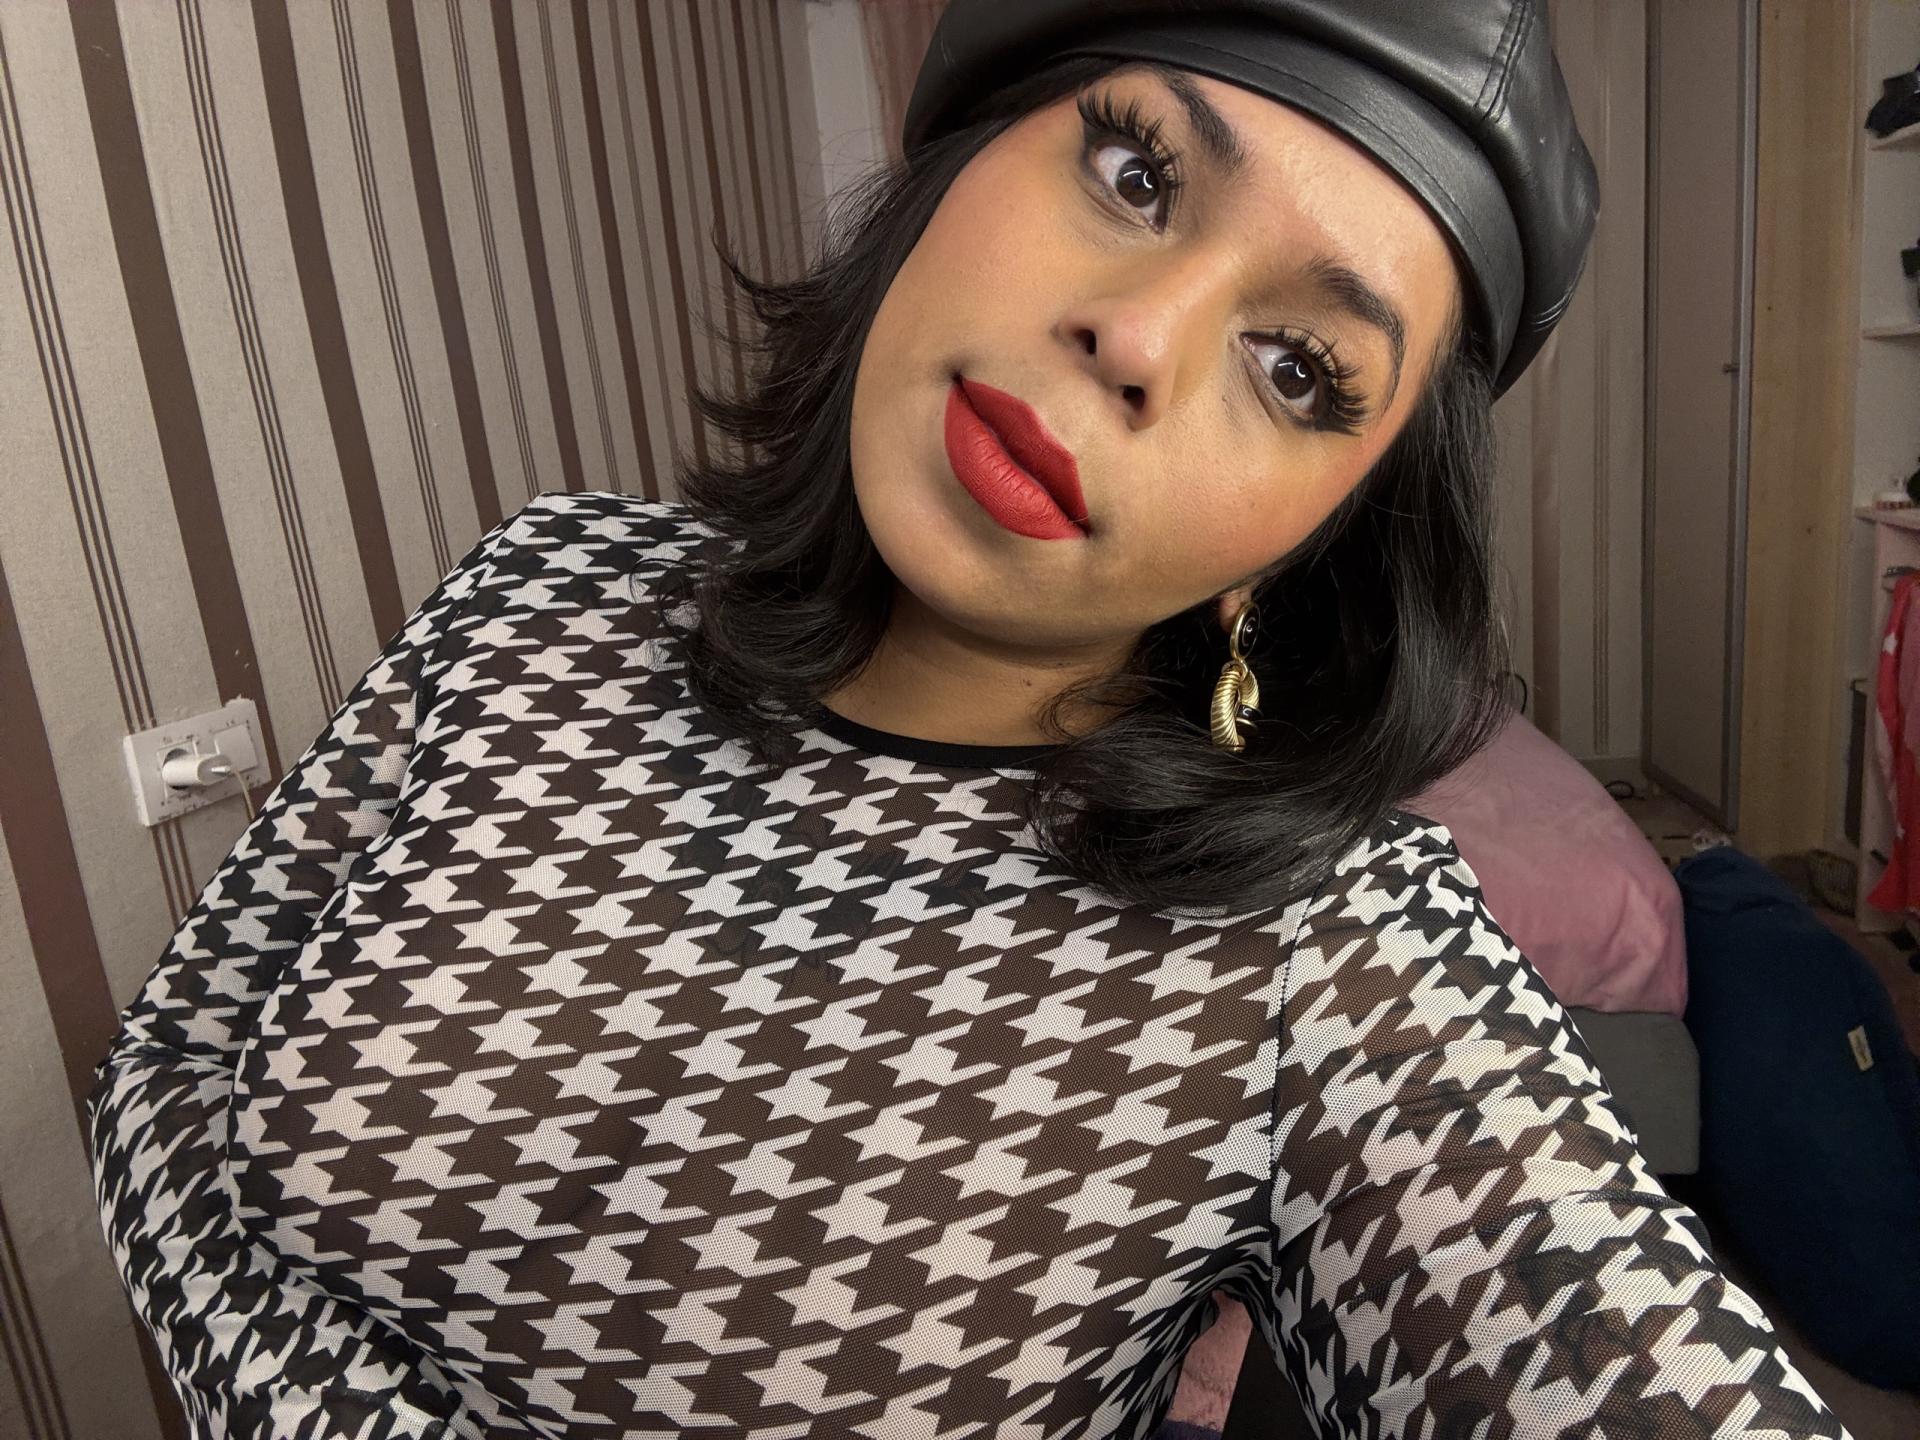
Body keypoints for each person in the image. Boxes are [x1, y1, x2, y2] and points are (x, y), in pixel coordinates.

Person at [85, 3, 1856, 1437]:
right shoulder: (538, 590)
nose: (1138, 338)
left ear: (1315, 536)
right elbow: (164, 1076)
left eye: (1299, 368)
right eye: (1137, 172)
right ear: (961, 158)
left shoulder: (1321, 950)